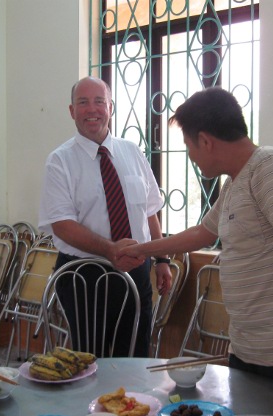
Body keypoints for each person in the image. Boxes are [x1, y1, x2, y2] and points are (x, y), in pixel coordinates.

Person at [120, 87, 273, 399]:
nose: (190, 156)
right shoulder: (236, 181)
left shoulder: (270, 167)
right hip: (249, 352)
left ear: (206, 141)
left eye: (188, 146)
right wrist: (141, 249)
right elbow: (202, 233)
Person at [38, 76, 171, 357]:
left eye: (99, 101)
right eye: (83, 102)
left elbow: (148, 210)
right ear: (72, 111)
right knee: (90, 360)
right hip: (84, 275)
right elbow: (62, 225)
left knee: (135, 356)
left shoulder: (132, 151)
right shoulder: (60, 160)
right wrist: (110, 250)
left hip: (136, 271)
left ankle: (133, 401)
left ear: (110, 107)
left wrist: (161, 260)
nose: (92, 109)